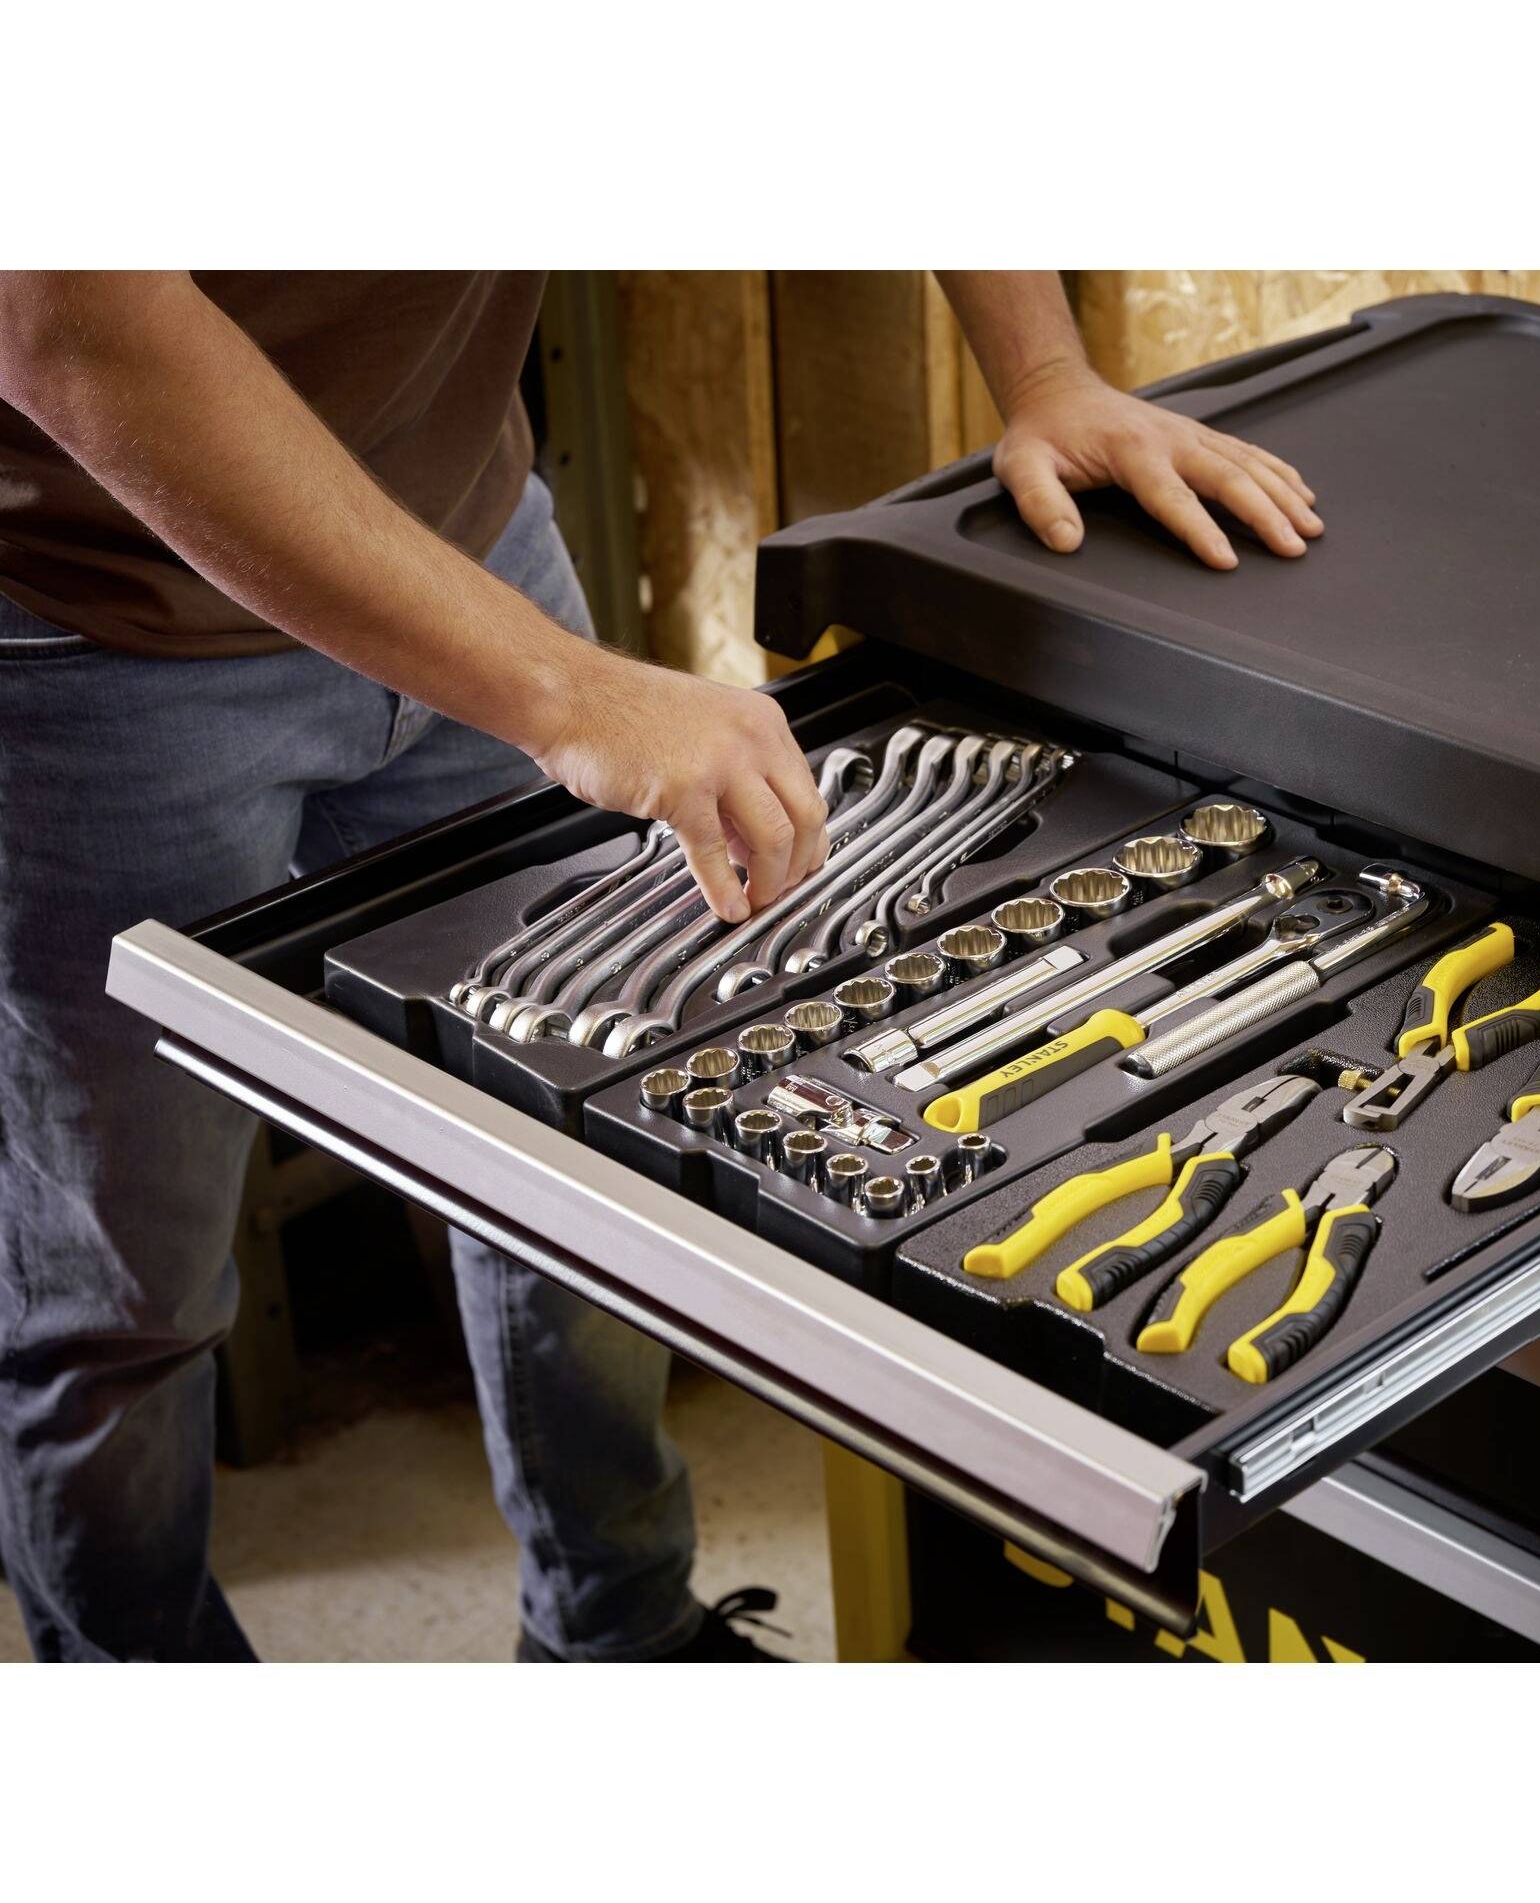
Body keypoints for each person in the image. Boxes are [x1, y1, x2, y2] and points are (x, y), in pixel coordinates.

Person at [0, 270, 1320, 1662]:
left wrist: (1046, 374)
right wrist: (564, 691)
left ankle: (613, 1630)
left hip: (461, 540)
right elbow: (56, 317)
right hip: (95, 631)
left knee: (588, 1172)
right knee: (120, 1295)